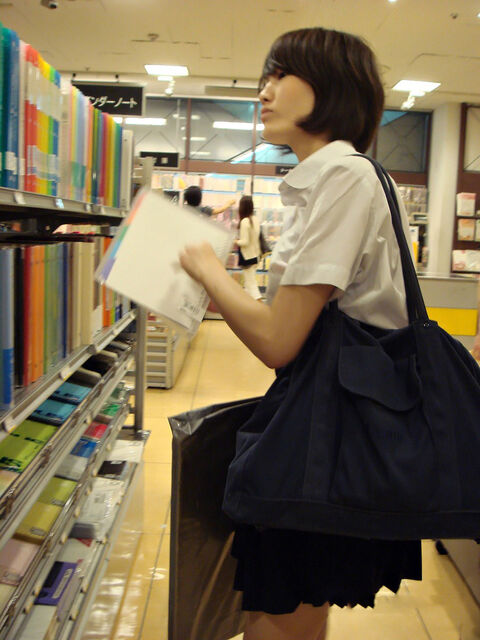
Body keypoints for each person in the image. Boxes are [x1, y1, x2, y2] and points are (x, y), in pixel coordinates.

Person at [180, 27, 421, 640]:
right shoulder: (335, 179)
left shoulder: (345, 178)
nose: (263, 92)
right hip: (334, 425)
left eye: (281, 75)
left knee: (279, 610)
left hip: (330, 435)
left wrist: (209, 270)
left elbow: (279, 341)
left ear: (332, 86)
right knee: (299, 604)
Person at [236, 195, 262, 300]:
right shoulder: (255, 220)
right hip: (255, 256)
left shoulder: (244, 221)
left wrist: (234, 241)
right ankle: (249, 306)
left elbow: (244, 242)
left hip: (247, 257)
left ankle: (260, 308)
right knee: (248, 284)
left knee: (251, 286)